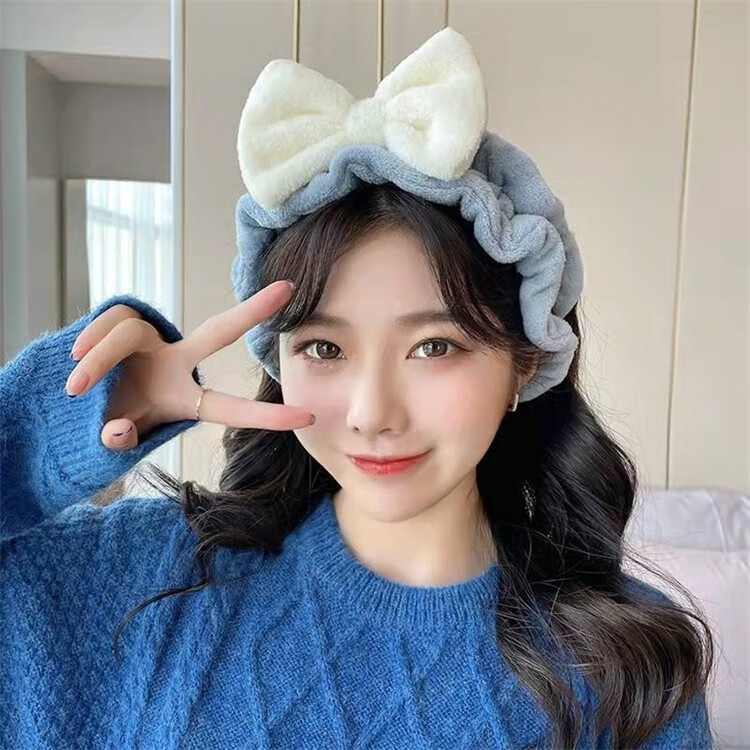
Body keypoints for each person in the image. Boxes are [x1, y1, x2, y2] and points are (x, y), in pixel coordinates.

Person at [0, 27, 715, 750]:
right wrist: (43, 427)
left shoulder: (629, 670)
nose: (372, 414)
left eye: (434, 347)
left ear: (525, 360)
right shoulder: (154, 578)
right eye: (324, 348)